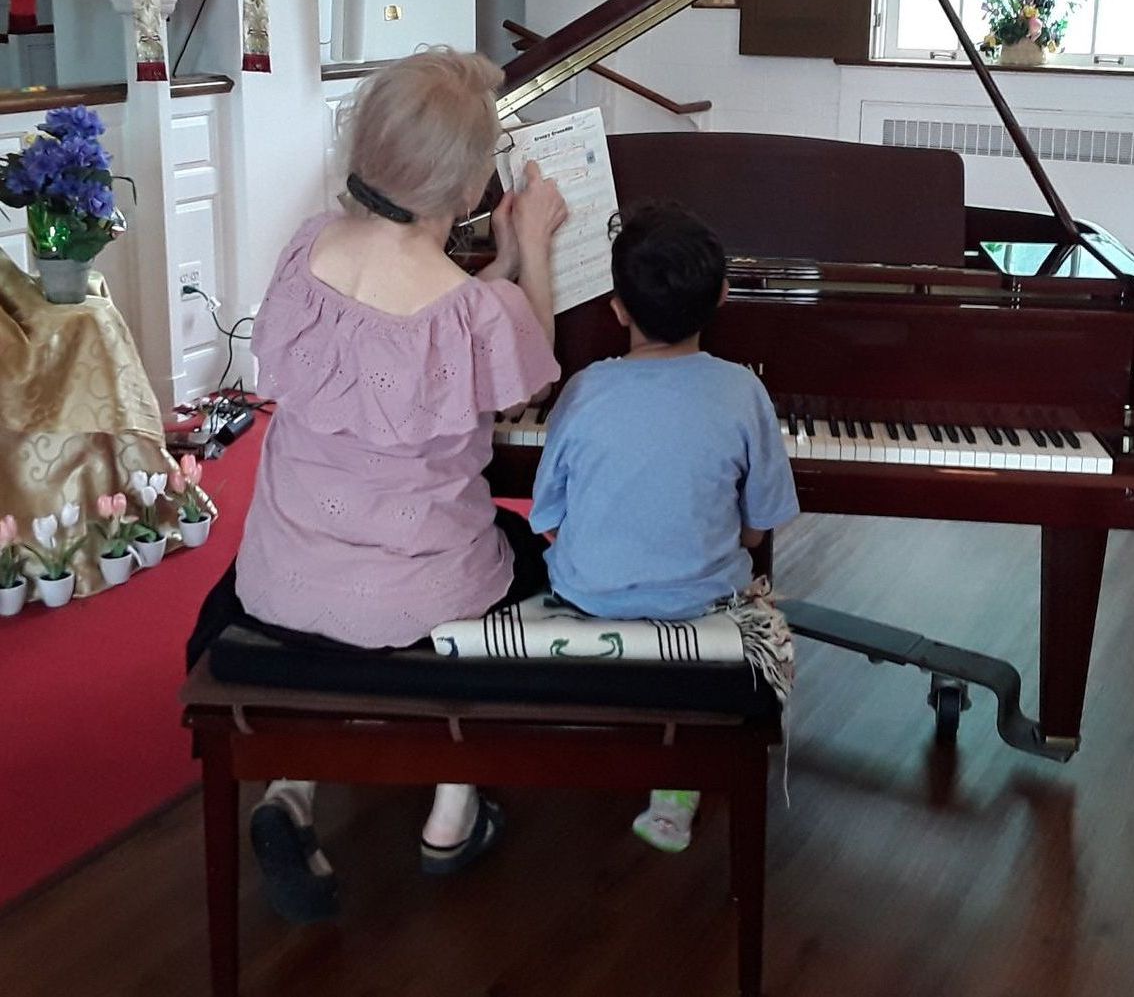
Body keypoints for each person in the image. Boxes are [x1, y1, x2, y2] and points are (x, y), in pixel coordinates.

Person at [191, 48, 567, 922]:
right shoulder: (477, 311)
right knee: (517, 565)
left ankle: (290, 792)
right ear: (473, 188)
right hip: (421, 597)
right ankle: (451, 809)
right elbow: (529, 366)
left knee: (326, 606)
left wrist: (495, 270)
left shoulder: (304, 250)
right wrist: (530, 250)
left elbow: (400, 331)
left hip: (284, 575)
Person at [528, 202, 799, 852]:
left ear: (617, 306)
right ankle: (677, 775)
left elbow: (547, 516)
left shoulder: (586, 387)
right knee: (747, 599)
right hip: (700, 602)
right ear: (724, 296)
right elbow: (760, 529)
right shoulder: (741, 390)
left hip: (588, 596)